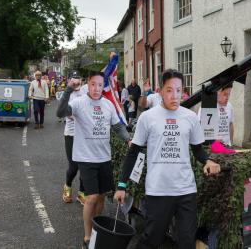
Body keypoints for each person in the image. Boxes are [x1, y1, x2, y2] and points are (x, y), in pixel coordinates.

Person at [114, 69, 221, 249]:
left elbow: (198, 150)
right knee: (152, 239)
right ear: (160, 91)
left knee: (187, 242)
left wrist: (208, 161)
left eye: (178, 90)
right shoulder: (147, 118)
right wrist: (121, 186)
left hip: (186, 190)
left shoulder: (190, 117)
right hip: (158, 191)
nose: (175, 96)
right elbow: (133, 152)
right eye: (169, 90)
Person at [56, 72, 130, 249]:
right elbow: (60, 112)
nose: (96, 88)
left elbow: (117, 126)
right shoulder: (79, 103)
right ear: (87, 85)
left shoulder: (107, 104)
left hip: (104, 157)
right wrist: (68, 89)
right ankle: (87, 237)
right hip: (85, 157)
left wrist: (128, 139)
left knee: (102, 197)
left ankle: (97, 230)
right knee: (91, 197)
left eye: (99, 85)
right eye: (93, 84)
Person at [61, 74, 86, 205]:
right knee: (74, 166)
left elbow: (102, 76)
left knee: (84, 165)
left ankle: (82, 193)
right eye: (73, 80)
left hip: (84, 134)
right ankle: (68, 185)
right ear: (70, 81)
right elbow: (67, 113)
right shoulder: (67, 93)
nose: (76, 82)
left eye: (78, 79)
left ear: (81, 80)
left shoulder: (86, 91)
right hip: (70, 134)